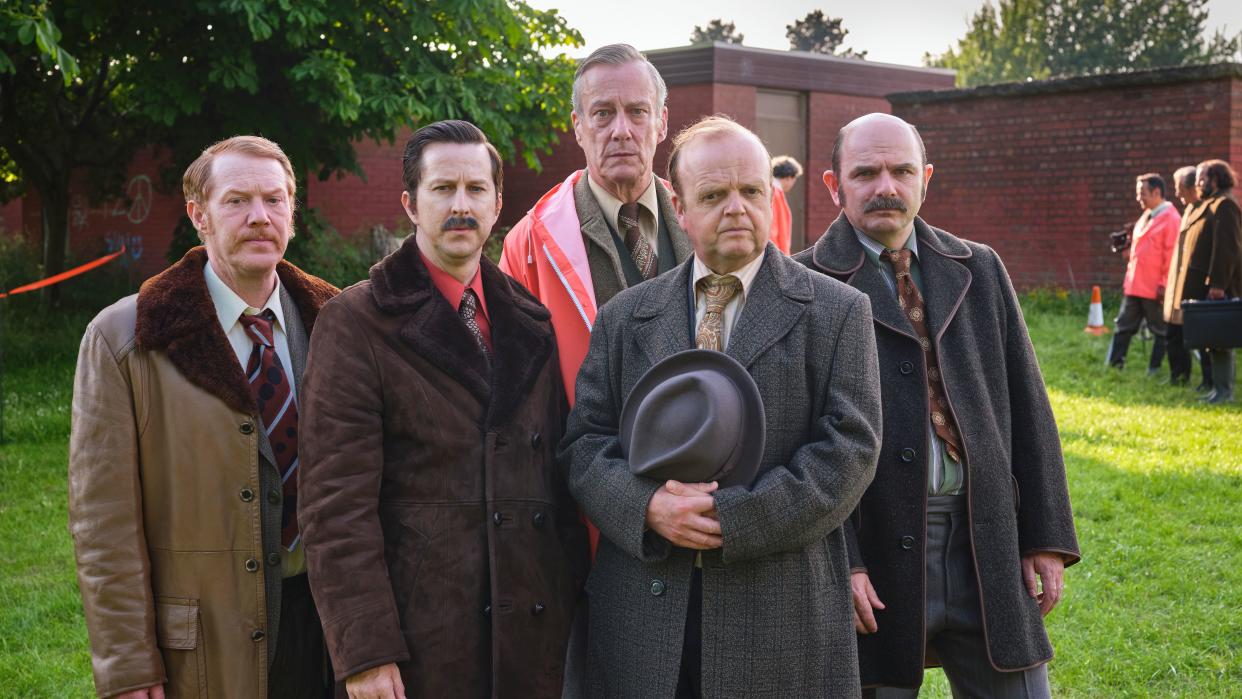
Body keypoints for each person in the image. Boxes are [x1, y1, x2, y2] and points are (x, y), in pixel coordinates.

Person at [561, 115, 883, 698]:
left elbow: (849, 454)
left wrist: (725, 520)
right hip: (644, 615)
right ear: (679, 209)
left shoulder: (837, 312)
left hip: (784, 617)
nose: (736, 208)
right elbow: (585, 444)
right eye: (713, 195)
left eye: (751, 191)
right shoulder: (624, 318)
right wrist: (648, 508)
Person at [298, 120, 589, 699]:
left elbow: (556, 485)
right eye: (442, 189)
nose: (461, 206)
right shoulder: (357, 322)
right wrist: (366, 654)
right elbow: (335, 509)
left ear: (498, 202)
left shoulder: (532, 321)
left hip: (531, 643)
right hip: (417, 646)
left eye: (476, 189)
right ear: (409, 203)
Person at [795, 113, 1080, 697]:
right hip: (875, 548)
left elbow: (1028, 407)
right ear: (833, 184)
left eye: (901, 171)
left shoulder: (978, 267)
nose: (886, 187)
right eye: (866, 172)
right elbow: (798, 441)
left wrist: (1044, 538)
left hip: (986, 541)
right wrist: (840, 562)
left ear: (925, 177)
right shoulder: (802, 284)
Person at [68, 136, 339, 698]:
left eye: (274, 200)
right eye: (237, 201)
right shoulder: (125, 339)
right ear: (199, 216)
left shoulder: (336, 324)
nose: (259, 217)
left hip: (325, 632)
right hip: (206, 643)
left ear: (293, 211)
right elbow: (103, 526)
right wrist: (127, 665)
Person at [499, 43, 693, 410]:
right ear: (578, 127)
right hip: (584, 461)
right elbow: (515, 389)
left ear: (662, 123)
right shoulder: (527, 245)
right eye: (603, 113)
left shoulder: (702, 223)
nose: (621, 130)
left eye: (637, 112)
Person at [1165, 159, 1241, 403]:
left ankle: (1225, 392)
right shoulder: (1210, 205)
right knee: (1214, 342)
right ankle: (1218, 389)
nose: (1197, 183)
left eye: (1202, 178)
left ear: (1216, 179)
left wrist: (1218, 285)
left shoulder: (1225, 205)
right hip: (1207, 287)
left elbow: (1226, 249)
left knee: (1222, 341)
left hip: (1219, 287)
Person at [1106, 173, 1179, 373]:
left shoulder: (1171, 218)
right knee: (1123, 326)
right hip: (1135, 285)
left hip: (1155, 288)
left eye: (1142, 193)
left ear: (1156, 192)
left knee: (1160, 331)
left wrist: (1164, 284)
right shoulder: (1146, 215)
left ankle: (1154, 369)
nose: (1139, 198)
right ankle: (1114, 365)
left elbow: (1172, 255)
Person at [1163, 166, 1202, 386]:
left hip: (1191, 286)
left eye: (1179, 188)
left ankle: (1198, 377)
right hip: (1177, 286)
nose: (1177, 194)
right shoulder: (1187, 211)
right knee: (1174, 334)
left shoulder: (1202, 211)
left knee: (1198, 337)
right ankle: (1178, 375)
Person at [769, 155, 803, 254]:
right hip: (775, 254)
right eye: (794, 179)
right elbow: (774, 227)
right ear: (789, 177)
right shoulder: (775, 193)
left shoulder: (772, 191)